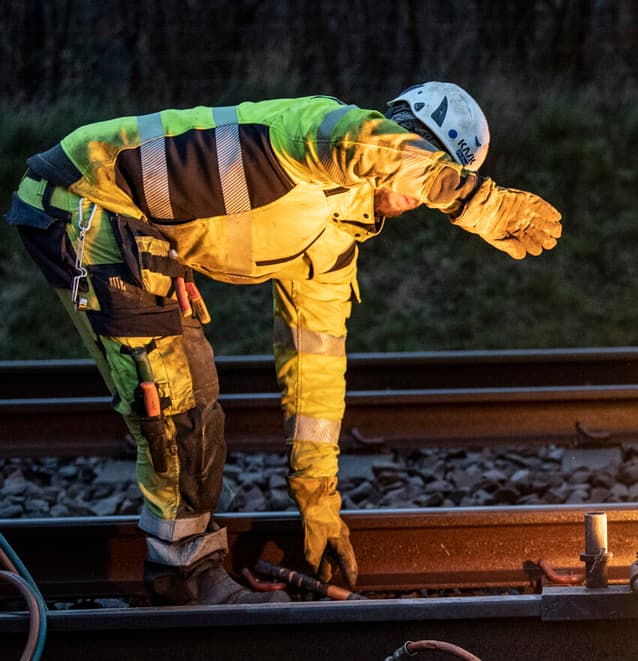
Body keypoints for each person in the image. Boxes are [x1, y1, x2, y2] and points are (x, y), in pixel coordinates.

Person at [5, 82, 562, 605]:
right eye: (427, 160)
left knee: (195, 400)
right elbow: (369, 145)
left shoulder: (335, 246)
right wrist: (478, 201)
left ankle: (186, 565)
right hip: (87, 198)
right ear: (401, 136)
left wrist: (319, 500)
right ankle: (183, 576)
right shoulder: (315, 133)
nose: (415, 191)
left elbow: (314, 371)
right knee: (175, 407)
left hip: (141, 232)